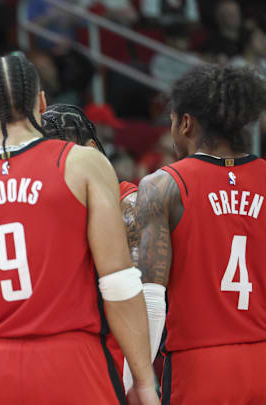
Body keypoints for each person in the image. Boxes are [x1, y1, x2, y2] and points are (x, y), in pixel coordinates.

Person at [0, 52, 158, 405]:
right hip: (71, 360)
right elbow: (118, 282)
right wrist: (144, 382)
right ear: (42, 102)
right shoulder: (82, 164)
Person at [136, 64, 266, 403]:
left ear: (186, 123)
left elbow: (151, 301)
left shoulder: (163, 185)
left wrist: (138, 381)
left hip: (200, 366)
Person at [41, 103, 140, 389]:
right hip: (59, 353)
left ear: (93, 149)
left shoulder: (126, 200)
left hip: (111, 352)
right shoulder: (45, 207)